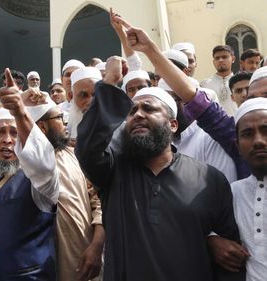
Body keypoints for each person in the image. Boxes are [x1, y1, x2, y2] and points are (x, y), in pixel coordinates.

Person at [76, 14, 245, 281]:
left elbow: (230, 259)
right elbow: (88, 149)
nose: (138, 114)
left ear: (173, 124)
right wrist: (107, 85)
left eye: (149, 108)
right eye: (132, 111)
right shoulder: (113, 173)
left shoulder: (209, 180)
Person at [0, 68, 59, 280]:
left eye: (14, 133)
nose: (8, 139)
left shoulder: (38, 180)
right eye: (0, 132)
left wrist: (19, 110)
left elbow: (44, 161)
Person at [27, 97, 104, 281]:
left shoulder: (75, 155)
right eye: (60, 117)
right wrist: (20, 101)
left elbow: (99, 201)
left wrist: (97, 245)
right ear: (43, 127)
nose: (66, 122)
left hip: (83, 261)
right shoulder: (23, 162)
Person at [231, 98, 267, 280]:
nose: (258, 141)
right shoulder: (233, 192)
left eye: (265, 130)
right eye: (247, 134)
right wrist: (213, 240)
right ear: (237, 145)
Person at [201, 45, 237, 116]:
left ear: (233, 59)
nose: (220, 60)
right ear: (213, 62)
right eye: (217, 58)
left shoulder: (239, 82)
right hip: (213, 125)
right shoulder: (204, 84)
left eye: (224, 57)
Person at [68, 66, 102, 139]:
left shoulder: (120, 130)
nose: (91, 101)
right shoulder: (65, 133)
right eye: (83, 95)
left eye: (95, 95)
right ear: (71, 96)